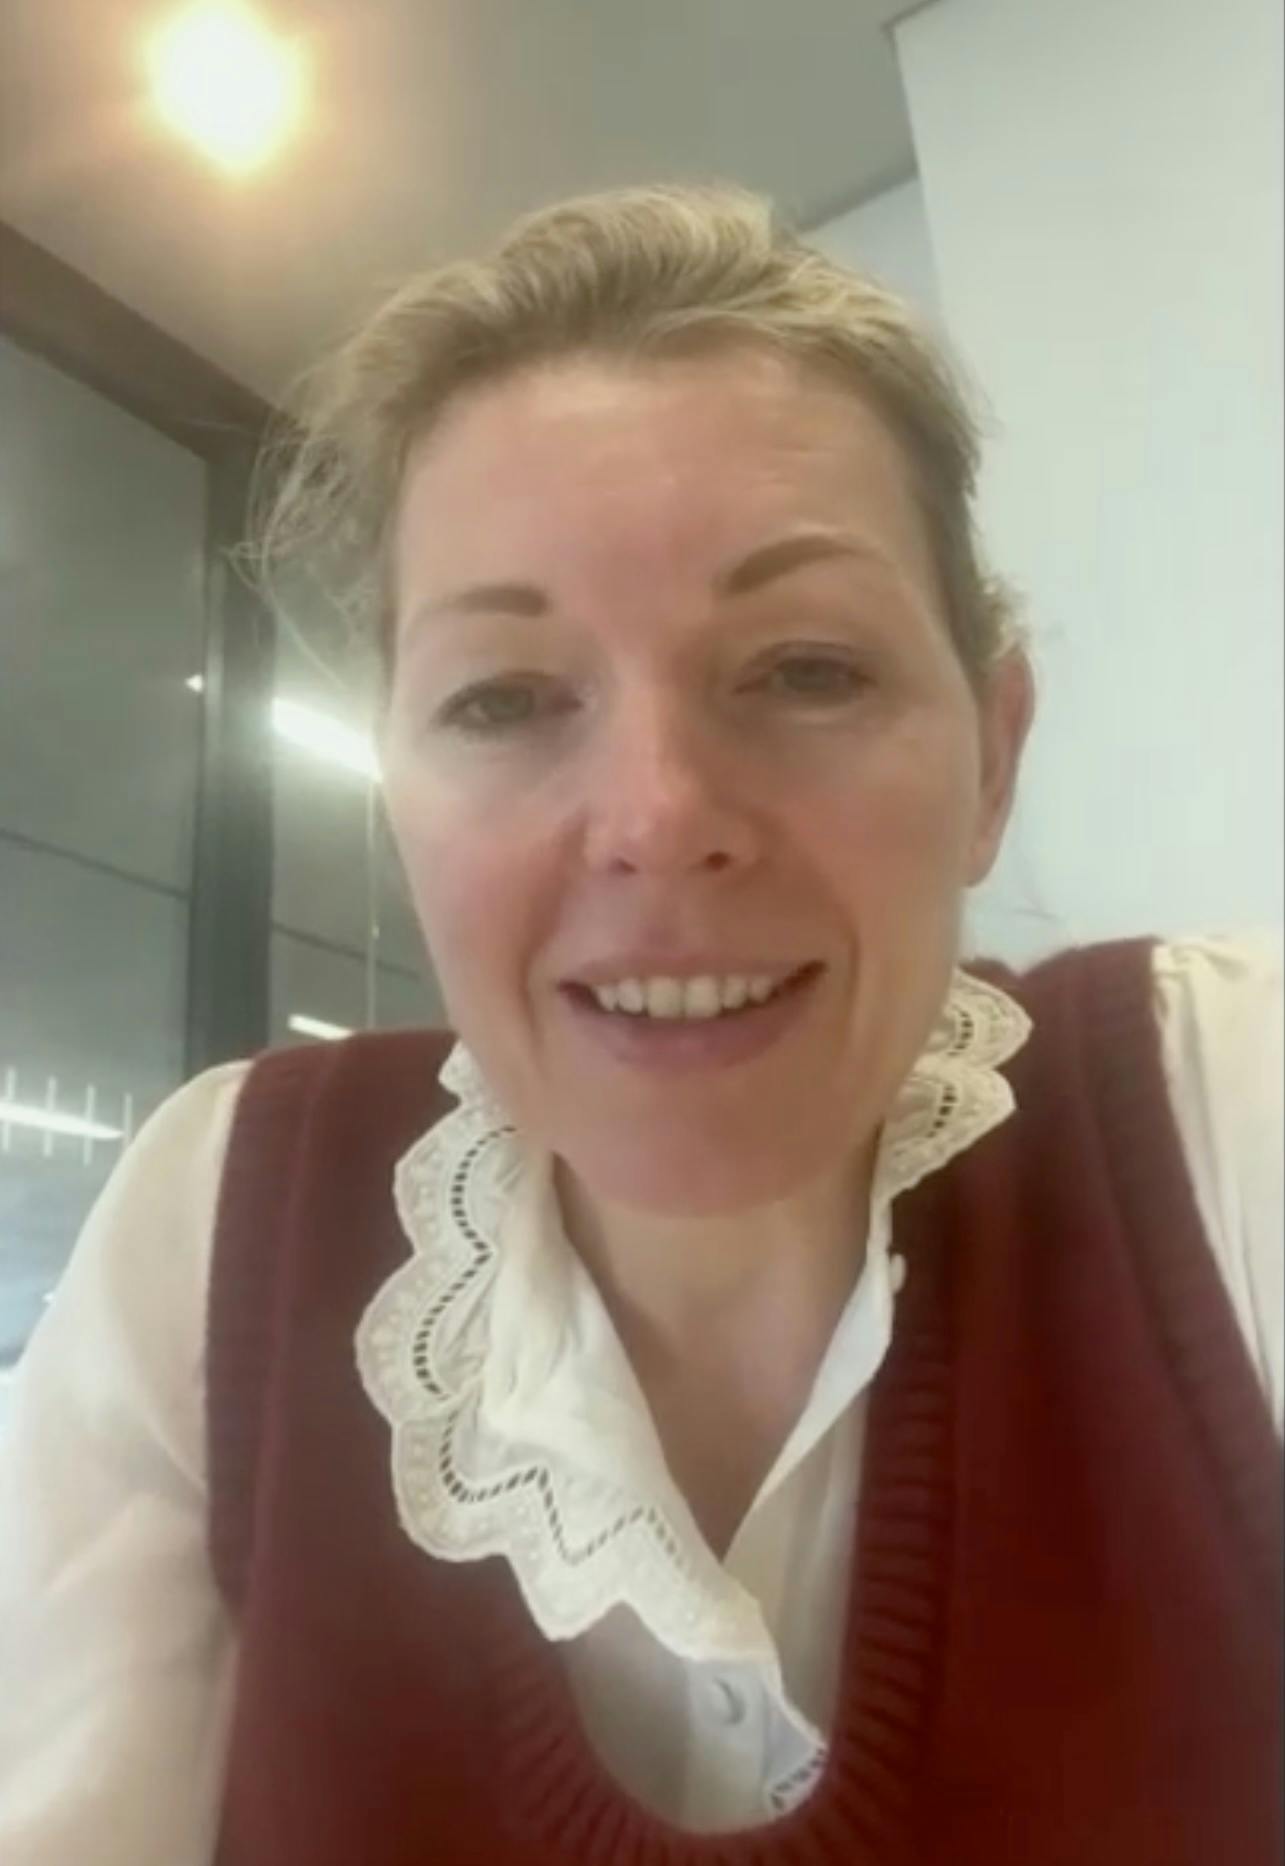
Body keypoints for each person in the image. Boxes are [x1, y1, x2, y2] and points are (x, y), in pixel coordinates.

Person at [0, 183, 1280, 1866]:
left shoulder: (1222, 1111)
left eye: (806, 668)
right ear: (400, 798)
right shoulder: (221, 1213)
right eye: (506, 698)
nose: (660, 815)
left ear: (995, 751)